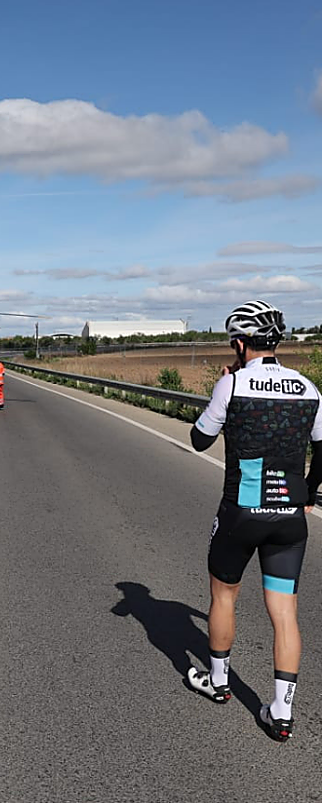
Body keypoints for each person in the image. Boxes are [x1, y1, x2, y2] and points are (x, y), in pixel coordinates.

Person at [187, 300, 322, 741]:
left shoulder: (234, 384)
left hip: (241, 512)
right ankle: (280, 712)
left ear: (240, 343)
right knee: (285, 613)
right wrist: (308, 493)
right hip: (289, 518)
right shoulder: (309, 388)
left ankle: (220, 682)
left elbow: (199, 440)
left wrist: (220, 390)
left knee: (224, 596)